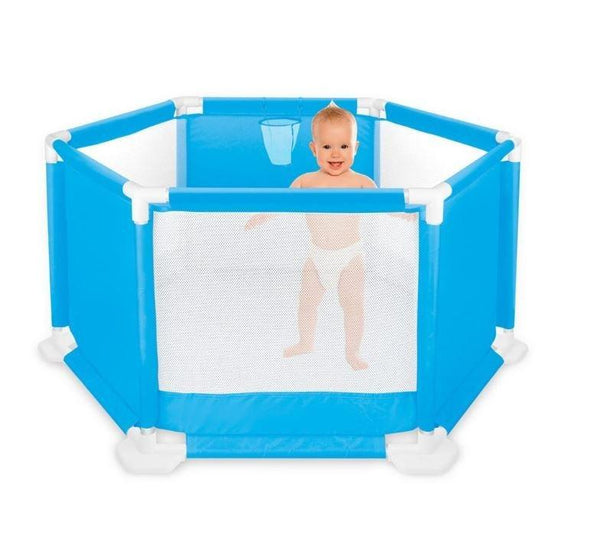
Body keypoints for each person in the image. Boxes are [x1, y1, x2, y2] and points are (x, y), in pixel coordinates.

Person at [246, 102, 411, 370]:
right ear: (314, 149)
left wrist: (405, 214)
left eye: (344, 146)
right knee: (306, 302)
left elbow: (386, 206)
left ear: (355, 147)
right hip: (317, 256)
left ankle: (352, 352)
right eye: (327, 147)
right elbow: (282, 203)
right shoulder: (306, 182)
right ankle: (305, 342)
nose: (336, 153)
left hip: (350, 257)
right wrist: (263, 215)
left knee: (353, 305)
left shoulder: (361, 183)